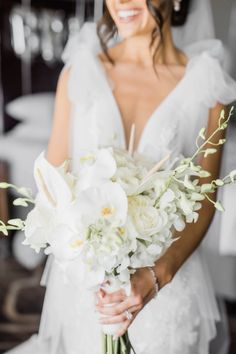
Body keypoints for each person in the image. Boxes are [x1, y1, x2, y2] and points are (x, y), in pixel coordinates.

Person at [6, 0, 236, 353]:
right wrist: (87, 254)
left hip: (167, 286)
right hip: (89, 290)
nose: (121, 3)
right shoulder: (80, 72)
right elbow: (52, 186)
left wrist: (157, 277)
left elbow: (205, 199)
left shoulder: (207, 85)